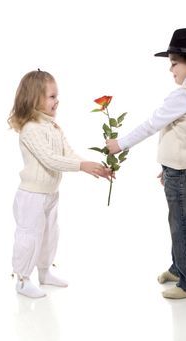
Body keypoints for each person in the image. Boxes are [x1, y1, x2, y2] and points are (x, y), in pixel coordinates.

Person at [106, 28, 186, 299]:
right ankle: (179, 267)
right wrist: (168, 166)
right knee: (178, 222)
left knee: (184, 224)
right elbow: (185, 135)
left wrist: (120, 143)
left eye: (174, 63)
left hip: (184, 172)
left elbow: (152, 125)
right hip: (184, 168)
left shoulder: (183, 96)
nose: (170, 69)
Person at [8, 70, 111, 298]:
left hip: (50, 193)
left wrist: (90, 166)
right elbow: (49, 159)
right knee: (30, 235)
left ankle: (44, 272)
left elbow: (68, 153)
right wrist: (82, 167)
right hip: (32, 195)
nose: (57, 101)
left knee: (49, 234)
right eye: (52, 96)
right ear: (35, 99)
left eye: (57, 96)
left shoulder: (53, 126)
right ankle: (22, 279)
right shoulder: (30, 129)